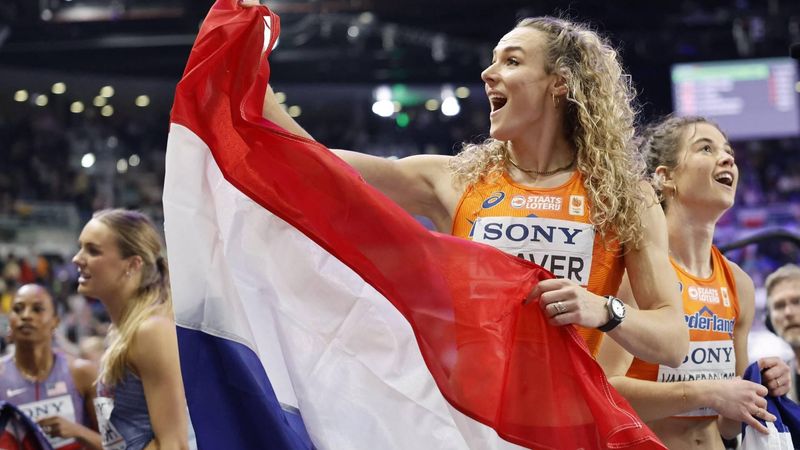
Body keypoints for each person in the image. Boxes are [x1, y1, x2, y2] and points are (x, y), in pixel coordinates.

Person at [260, 13, 688, 365]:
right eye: (493, 61)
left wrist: (604, 310)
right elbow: (315, 164)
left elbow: (672, 342)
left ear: (560, 83)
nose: (487, 73)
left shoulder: (624, 197)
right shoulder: (455, 180)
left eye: (512, 62)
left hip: (568, 425)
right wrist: (254, 76)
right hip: (468, 420)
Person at [596, 116, 791, 449]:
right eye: (706, 149)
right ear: (665, 177)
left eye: (728, 152)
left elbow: (729, 426)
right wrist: (706, 392)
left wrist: (761, 385)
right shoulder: (635, 274)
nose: (727, 159)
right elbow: (603, 391)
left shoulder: (739, 283)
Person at [72, 209, 190, 450]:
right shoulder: (121, 331)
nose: (77, 258)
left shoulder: (151, 331)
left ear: (133, 264)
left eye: (93, 250)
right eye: (80, 247)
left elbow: (174, 444)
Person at [0, 283, 102, 450]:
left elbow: (116, 445)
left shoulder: (84, 373)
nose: (26, 315)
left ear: (55, 321)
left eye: (37, 309)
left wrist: (78, 432)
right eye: (18, 309)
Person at [765, 263, 800, 402]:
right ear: (769, 321)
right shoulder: (781, 379)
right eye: (779, 306)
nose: (788, 312)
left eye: (797, 302)